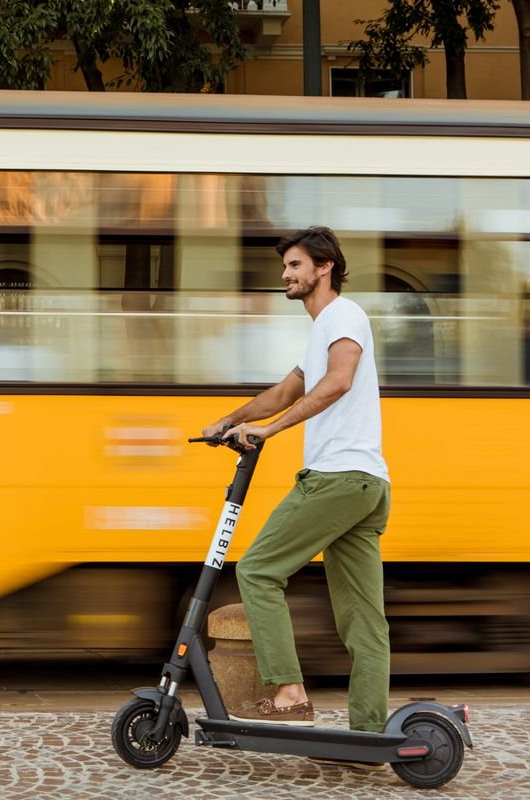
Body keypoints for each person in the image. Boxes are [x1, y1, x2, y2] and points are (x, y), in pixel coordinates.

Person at [201, 226, 392, 749]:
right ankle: (368, 737)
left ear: (324, 267)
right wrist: (230, 420)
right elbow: (286, 390)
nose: (285, 274)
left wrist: (270, 430)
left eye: (294, 265)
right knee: (364, 621)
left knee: (259, 570)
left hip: (338, 478)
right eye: (285, 266)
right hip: (365, 484)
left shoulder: (343, 315)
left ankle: (289, 695)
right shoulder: (322, 328)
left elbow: (339, 380)